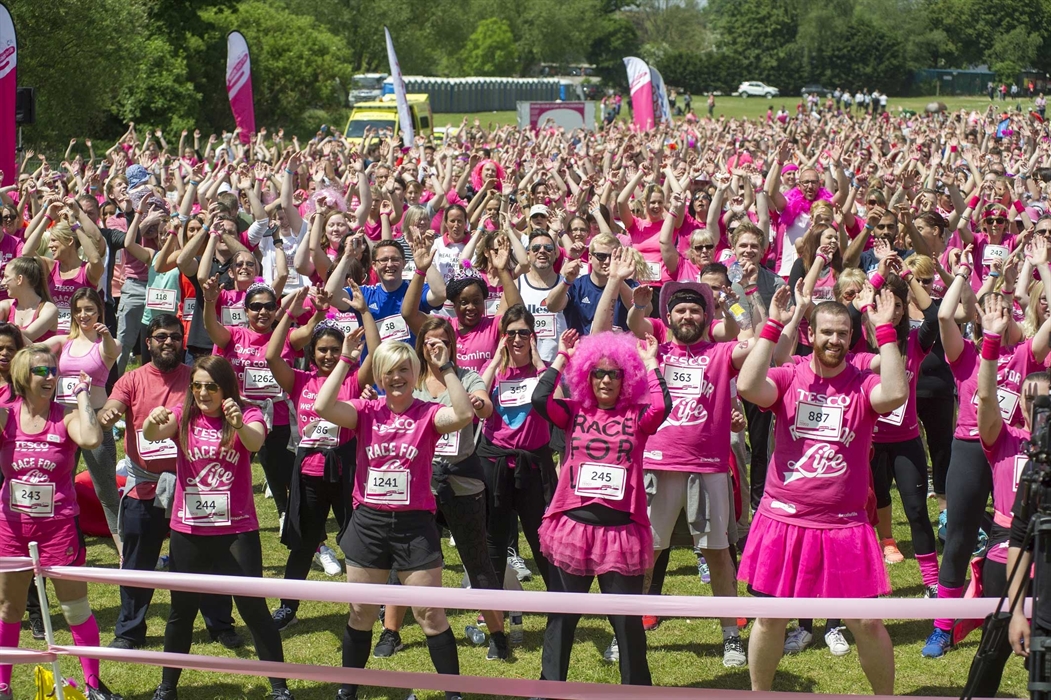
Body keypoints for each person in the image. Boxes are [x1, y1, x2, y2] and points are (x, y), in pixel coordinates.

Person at [737, 288, 907, 694]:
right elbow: (747, 385)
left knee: (866, 622)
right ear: (810, 334)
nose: (835, 340)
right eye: (827, 332)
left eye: (843, 334)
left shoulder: (862, 383)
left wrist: (884, 329)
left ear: (851, 337)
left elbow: (897, 393)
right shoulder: (789, 375)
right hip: (784, 519)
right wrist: (773, 325)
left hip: (844, 525)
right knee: (771, 618)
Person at [315, 338, 475, 700]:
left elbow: (464, 415)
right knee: (361, 613)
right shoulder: (365, 411)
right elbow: (323, 406)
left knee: (430, 614)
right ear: (380, 377)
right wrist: (345, 361)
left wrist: (446, 366)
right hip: (368, 523)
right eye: (390, 371)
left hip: (414, 526)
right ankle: (348, 689)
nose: (398, 377)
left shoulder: (428, 413)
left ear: (415, 373)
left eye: (405, 369)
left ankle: (454, 693)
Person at [143, 356, 293, 700]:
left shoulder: (247, 412)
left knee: (253, 609)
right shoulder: (184, 415)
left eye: (211, 386)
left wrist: (238, 424)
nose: (203, 392)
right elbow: (153, 435)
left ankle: (279, 688)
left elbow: (255, 443)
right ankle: (167, 687)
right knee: (181, 611)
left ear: (226, 387)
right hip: (189, 529)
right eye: (196, 385)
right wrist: (153, 421)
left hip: (236, 530)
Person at [624, 277, 754, 666]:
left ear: (706, 315)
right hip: (658, 464)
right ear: (669, 315)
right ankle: (630, 631)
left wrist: (733, 305)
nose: (687, 315)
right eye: (680, 309)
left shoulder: (719, 353)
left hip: (708, 466)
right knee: (648, 552)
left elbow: (747, 341)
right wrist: (638, 308)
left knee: (717, 553)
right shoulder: (656, 350)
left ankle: (731, 635)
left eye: (695, 309)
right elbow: (634, 324)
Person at [532, 329, 670, 687]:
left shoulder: (637, 417)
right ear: (587, 376)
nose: (606, 380)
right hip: (574, 528)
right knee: (562, 617)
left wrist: (652, 363)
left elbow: (662, 406)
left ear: (626, 378)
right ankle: (549, 689)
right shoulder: (573, 412)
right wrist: (562, 357)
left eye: (614, 373)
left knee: (625, 622)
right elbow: (540, 397)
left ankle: (636, 691)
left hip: (620, 533)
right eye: (598, 372)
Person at [100, 314, 240, 651]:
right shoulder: (132, 379)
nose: (168, 343)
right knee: (137, 563)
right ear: (147, 342)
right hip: (144, 484)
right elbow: (113, 406)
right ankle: (129, 630)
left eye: (175, 337)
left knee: (209, 561)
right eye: (161, 336)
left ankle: (220, 624)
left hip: (191, 486)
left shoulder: (197, 380)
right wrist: (109, 414)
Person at [378, 315, 511, 661]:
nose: (435, 347)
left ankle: (498, 635)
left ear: (452, 345)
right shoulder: (413, 381)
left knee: (476, 559)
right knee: (402, 558)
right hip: (420, 484)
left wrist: (476, 399)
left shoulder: (465, 377)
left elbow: (482, 405)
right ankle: (390, 632)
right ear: (420, 346)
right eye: (429, 342)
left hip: (462, 482)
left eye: (442, 342)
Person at [0, 345, 121, 700]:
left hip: (58, 529)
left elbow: (92, 437)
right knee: (9, 608)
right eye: (41, 371)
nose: (51, 377)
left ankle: (93, 685)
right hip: (12, 529)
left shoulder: (65, 416)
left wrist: (83, 394)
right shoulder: (7, 416)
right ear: (23, 376)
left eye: (54, 370)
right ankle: (2, 684)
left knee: (75, 608)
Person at [266, 286, 377, 629]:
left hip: (347, 471)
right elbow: (271, 357)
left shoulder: (352, 381)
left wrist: (365, 313)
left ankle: (375, 604)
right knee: (302, 544)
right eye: (322, 351)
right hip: (309, 474)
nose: (329, 356)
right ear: (312, 353)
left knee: (358, 542)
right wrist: (288, 313)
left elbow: (375, 352)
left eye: (335, 350)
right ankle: (288, 606)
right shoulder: (299, 381)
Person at [960, 296, 1048, 697]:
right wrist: (991, 343)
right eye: (1030, 400)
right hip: (1003, 552)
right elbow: (988, 399)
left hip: (1045, 556)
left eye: (1044, 401)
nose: (1037, 408)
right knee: (994, 644)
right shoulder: (1005, 439)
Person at [202, 278, 298, 528]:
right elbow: (211, 327)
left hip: (276, 415)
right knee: (227, 466)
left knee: (278, 468)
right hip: (237, 414)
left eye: (268, 306)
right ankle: (216, 511)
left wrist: (319, 313)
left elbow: (307, 335)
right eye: (255, 306)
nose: (262, 311)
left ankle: (285, 513)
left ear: (276, 310)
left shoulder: (285, 337)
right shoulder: (234, 335)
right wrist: (210, 302)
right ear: (245, 311)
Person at [479, 305, 558, 591]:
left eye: (523, 332)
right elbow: (475, 399)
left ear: (532, 336)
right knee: (495, 536)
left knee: (541, 535)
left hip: (533, 463)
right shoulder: (492, 371)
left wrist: (538, 363)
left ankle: (559, 603)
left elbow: (557, 402)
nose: (517, 339)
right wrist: (494, 362)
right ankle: (490, 603)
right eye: (510, 333)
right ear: (502, 337)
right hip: (496, 463)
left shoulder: (544, 371)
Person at [43, 287, 122, 552]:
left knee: (106, 489)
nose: (83, 315)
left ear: (99, 309)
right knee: (56, 482)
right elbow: (32, 347)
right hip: (63, 421)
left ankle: (125, 550)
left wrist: (106, 334)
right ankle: (56, 541)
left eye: (89, 309)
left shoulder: (106, 344)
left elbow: (113, 351)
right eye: (78, 310)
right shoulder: (64, 342)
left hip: (95, 423)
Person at [0, 257, 58, 343]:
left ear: (19, 279)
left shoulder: (48, 309)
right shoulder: (6, 306)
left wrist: (8, 328)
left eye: (6, 277)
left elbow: (29, 335)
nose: (2, 283)